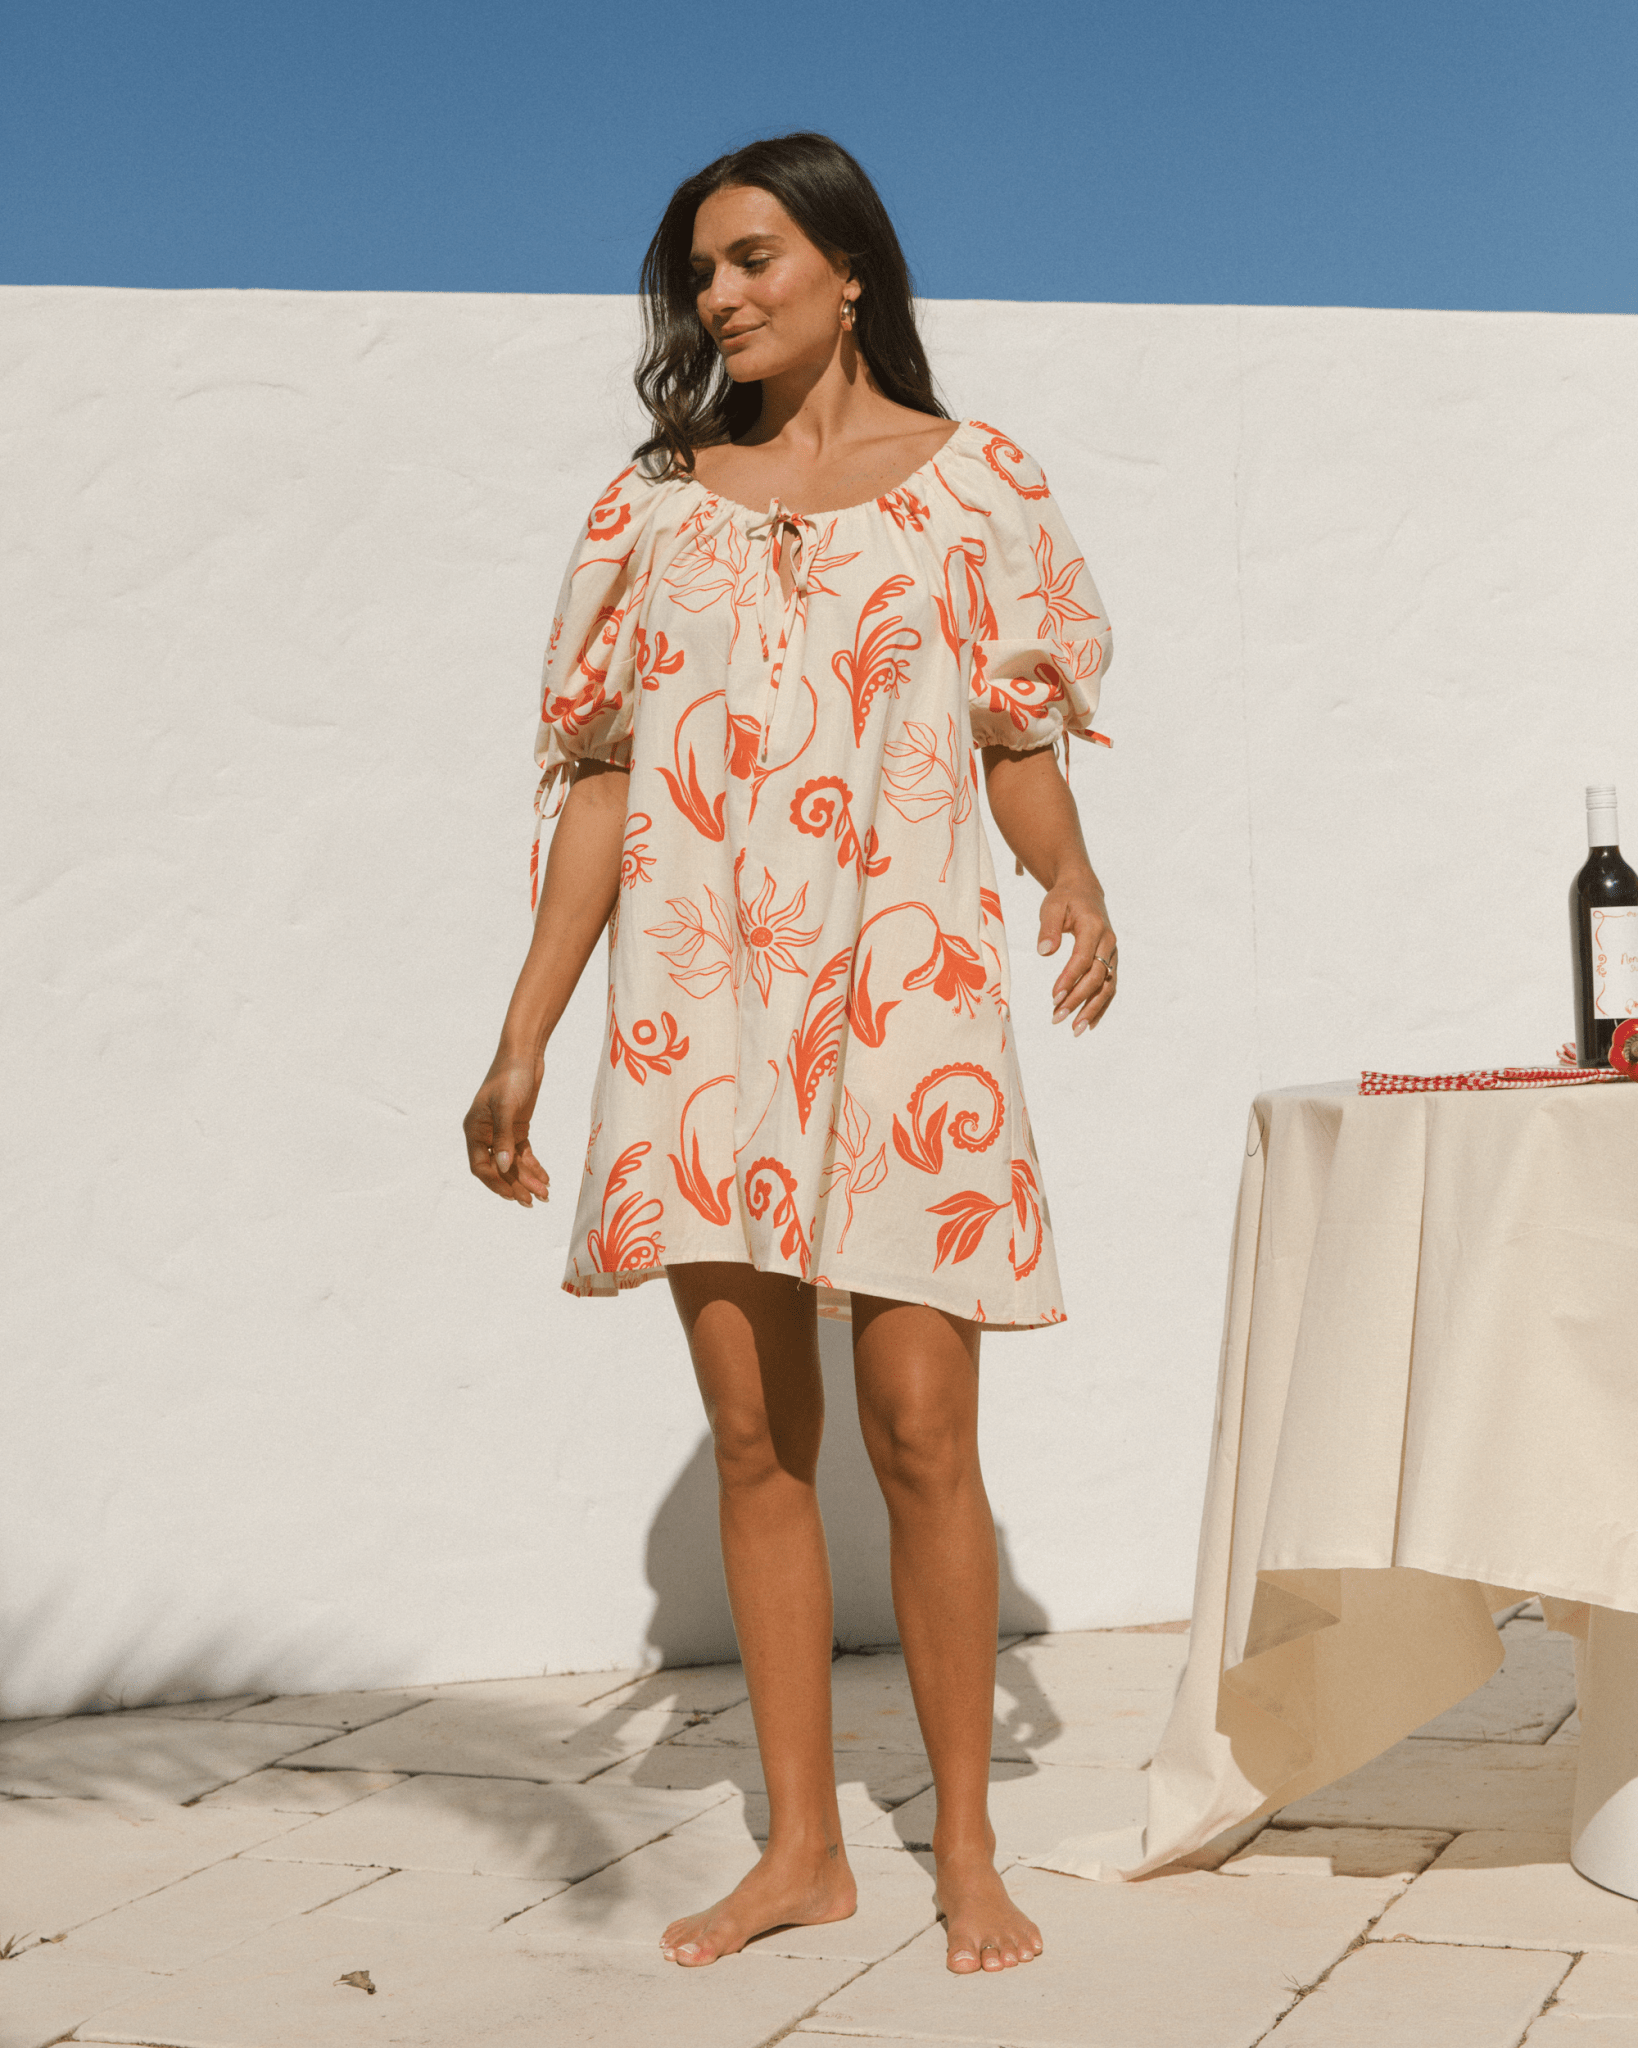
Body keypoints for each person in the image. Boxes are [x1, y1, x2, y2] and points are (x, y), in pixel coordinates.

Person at [463, 131, 1118, 1975]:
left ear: (847, 269)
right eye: (700, 271)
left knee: (921, 1432)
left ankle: (966, 1850)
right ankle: (804, 1851)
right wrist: (522, 1035)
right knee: (756, 1434)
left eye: (751, 258)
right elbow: (602, 788)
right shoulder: (654, 510)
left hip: (907, 998)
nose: (719, 297)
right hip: (701, 1008)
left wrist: (1072, 881)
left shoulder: (976, 487)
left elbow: (1014, 733)